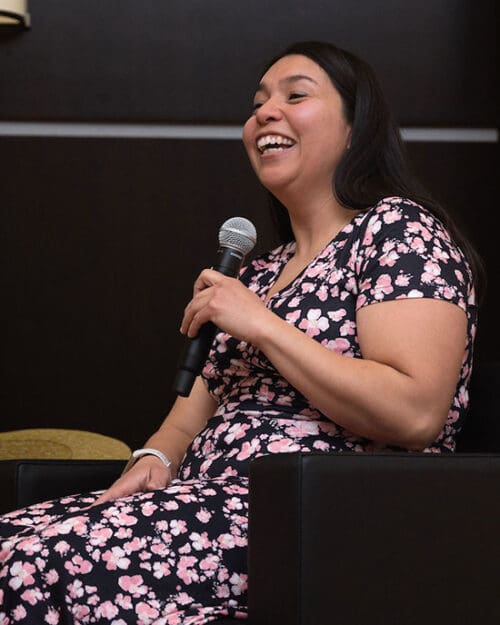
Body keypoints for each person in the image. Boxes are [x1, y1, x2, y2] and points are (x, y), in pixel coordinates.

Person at [0, 41, 478, 624]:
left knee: (35, 563)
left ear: (358, 129)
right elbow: (186, 418)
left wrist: (262, 324)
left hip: (307, 518)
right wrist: (155, 457)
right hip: (200, 500)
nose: (264, 113)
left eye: (295, 96)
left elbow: (414, 413)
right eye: (257, 103)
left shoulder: (399, 230)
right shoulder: (259, 269)